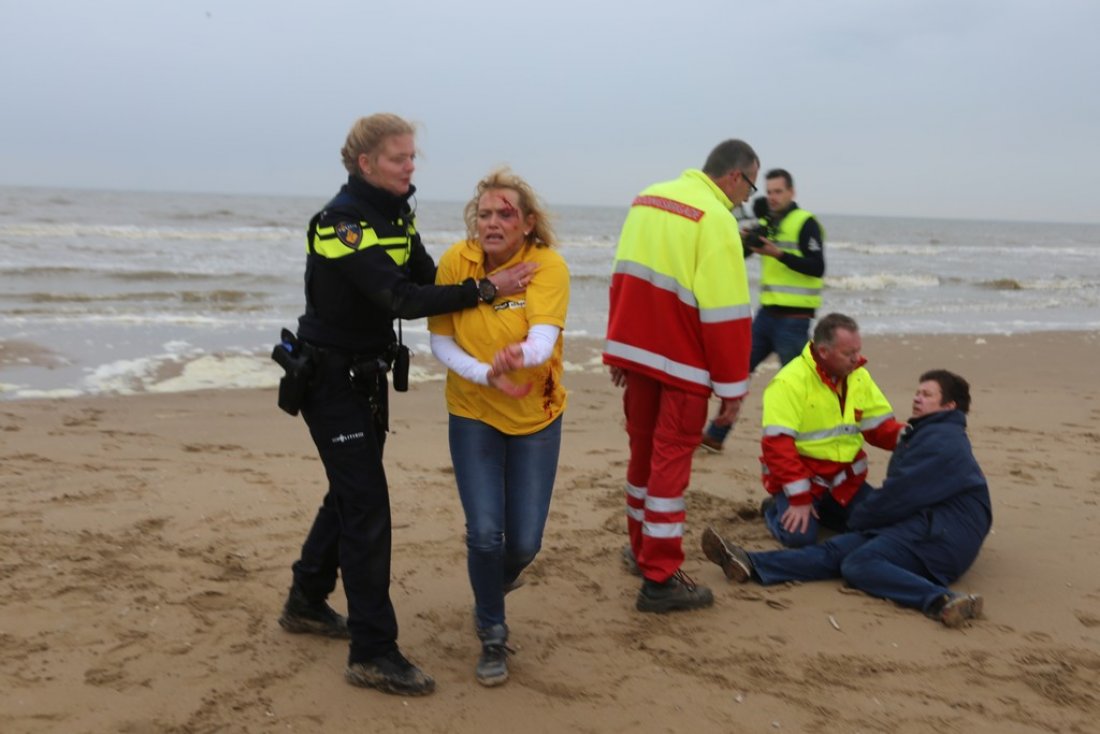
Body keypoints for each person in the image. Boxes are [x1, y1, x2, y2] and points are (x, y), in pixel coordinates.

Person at [276, 114, 534, 696]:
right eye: (400, 159)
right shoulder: (338, 224)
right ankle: (372, 651)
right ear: (366, 164)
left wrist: (488, 265)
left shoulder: (396, 213)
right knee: (367, 507)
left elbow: (427, 274)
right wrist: (487, 288)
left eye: (413, 156)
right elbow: (399, 297)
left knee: (351, 492)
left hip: (365, 377)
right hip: (329, 380)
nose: (411, 166)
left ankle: (306, 600)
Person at [702, 369, 991, 628]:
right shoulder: (932, 433)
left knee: (858, 563)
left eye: (927, 395)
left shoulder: (941, 441)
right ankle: (750, 563)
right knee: (838, 550)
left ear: (949, 406)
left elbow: (898, 495)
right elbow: (902, 495)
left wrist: (860, 521)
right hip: (925, 525)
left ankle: (941, 599)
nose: (917, 398)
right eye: (917, 392)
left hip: (947, 536)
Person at [604, 139, 759, 613]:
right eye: (748, 188)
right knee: (670, 467)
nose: (745, 198)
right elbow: (727, 314)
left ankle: (641, 548)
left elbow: (621, 276)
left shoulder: (646, 198)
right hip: (683, 364)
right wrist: (732, 390)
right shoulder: (716, 221)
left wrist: (617, 349)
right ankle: (660, 576)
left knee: (642, 457)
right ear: (734, 177)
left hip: (638, 353)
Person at [428, 169, 569, 687]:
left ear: (528, 223)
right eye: (484, 213)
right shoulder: (455, 262)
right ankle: (492, 630)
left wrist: (518, 357)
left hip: (536, 415)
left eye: (504, 213)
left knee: (524, 544)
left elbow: (543, 338)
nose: (492, 222)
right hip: (472, 412)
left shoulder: (547, 265)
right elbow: (441, 341)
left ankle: (491, 587)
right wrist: (485, 371)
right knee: (485, 533)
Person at [701, 169, 826, 453]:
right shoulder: (768, 222)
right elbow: (741, 255)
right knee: (737, 372)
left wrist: (777, 253)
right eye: (768, 192)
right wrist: (744, 240)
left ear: (791, 192)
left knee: (795, 387)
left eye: (778, 191)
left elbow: (817, 267)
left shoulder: (806, 223)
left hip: (794, 321)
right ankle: (716, 435)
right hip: (766, 316)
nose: (772, 197)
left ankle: (809, 443)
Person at [758, 312, 906, 548]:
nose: (857, 359)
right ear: (823, 352)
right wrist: (798, 499)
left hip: (844, 481)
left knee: (880, 524)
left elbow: (879, 428)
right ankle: (774, 510)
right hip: (802, 481)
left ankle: (824, 512)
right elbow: (777, 446)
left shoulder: (859, 376)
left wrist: (913, 434)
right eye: (849, 353)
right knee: (800, 539)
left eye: (858, 350)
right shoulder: (789, 382)